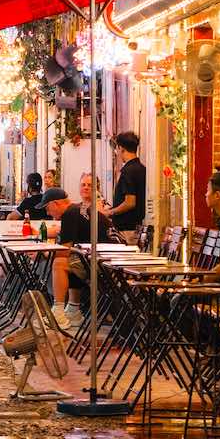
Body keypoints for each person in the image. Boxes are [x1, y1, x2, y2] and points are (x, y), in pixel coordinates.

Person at [41, 173, 111, 334]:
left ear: (56, 204)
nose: (48, 213)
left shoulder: (70, 214)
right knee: (72, 262)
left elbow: (63, 252)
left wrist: (46, 254)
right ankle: (73, 310)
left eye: (47, 208)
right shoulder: (75, 210)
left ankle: (58, 311)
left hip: (108, 260)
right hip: (103, 256)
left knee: (59, 263)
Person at [107, 131, 146, 245]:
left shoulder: (127, 171)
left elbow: (130, 202)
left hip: (127, 229)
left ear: (121, 148)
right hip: (136, 226)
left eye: (117, 149)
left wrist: (110, 212)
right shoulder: (141, 168)